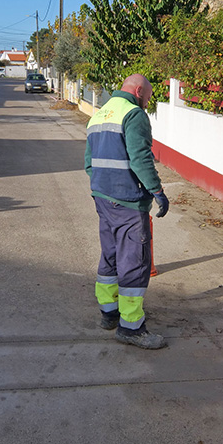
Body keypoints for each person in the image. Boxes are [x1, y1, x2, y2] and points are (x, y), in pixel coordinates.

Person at [85, 74, 170, 350]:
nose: (147, 102)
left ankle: (109, 313)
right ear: (139, 91)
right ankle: (131, 328)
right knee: (134, 261)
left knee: (110, 255)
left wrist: (103, 186)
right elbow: (140, 158)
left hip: (102, 198)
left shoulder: (99, 115)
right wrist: (157, 191)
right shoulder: (133, 114)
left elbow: (88, 163)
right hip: (128, 202)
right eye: (148, 96)